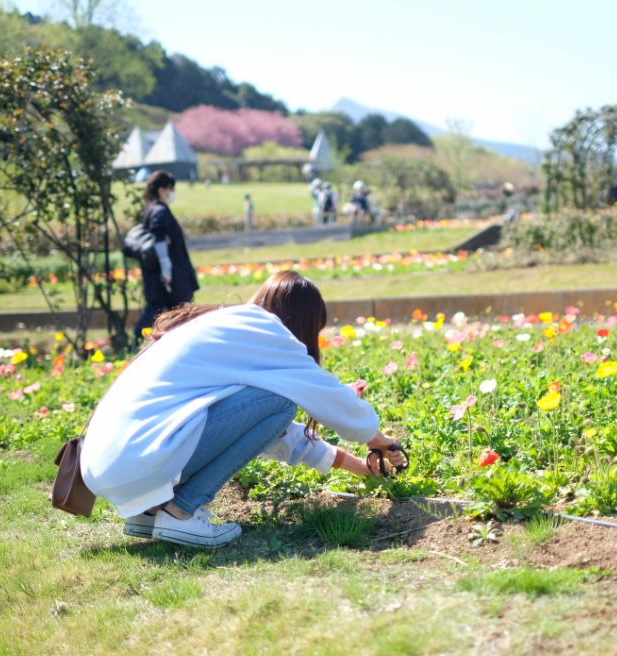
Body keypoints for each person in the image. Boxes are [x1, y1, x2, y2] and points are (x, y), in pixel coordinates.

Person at [81, 271, 406, 548]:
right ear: (302, 320)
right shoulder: (270, 333)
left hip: (108, 463)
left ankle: (150, 511)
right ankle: (180, 512)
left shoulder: (227, 325)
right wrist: (377, 438)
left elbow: (273, 434)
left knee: (276, 406)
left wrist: (361, 467)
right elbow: (327, 399)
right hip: (139, 457)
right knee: (281, 403)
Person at [133, 170, 199, 345]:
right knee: (158, 312)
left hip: (161, 275)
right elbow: (160, 242)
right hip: (167, 276)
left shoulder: (152, 210)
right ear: (162, 189)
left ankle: (158, 344)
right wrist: (167, 272)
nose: (172, 193)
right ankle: (135, 341)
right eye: (170, 189)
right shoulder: (159, 212)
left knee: (166, 313)